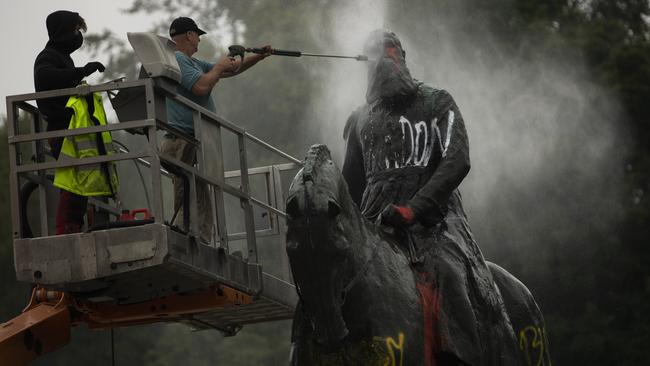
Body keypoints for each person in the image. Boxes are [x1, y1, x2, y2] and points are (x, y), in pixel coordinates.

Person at [341, 30, 519, 365]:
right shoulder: (358, 119)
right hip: (375, 223)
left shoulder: (437, 101)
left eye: (390, 52)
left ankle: (462, 356)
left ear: (402, 58)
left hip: (435, 224)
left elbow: (457, 160)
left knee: (449, 274)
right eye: (376, 53)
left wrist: (413, 210)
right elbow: (350, 185)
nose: (384, 59)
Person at [162, 17, 271, 243]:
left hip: (190, 140)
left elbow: (229, 71)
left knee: (197, 196)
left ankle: (197, 240)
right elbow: (201, 86)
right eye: (197, 35)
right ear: (189, 35)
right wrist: (220, 66)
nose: (199, 40)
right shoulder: (178, 59)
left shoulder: (191, 62)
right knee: (191, 199)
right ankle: (189, 242)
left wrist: (259, 57)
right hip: (184, 140)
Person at [34, 10, 106, 234]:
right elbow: (46, 78)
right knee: (72, 184)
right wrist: (81, 71)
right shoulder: (47, 57)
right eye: (75, 30)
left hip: (72, 131)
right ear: (62, 31)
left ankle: (75, 226)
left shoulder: (64, 58)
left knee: (80, 182)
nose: (78, 35)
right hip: (61, 131)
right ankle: (65, 231)